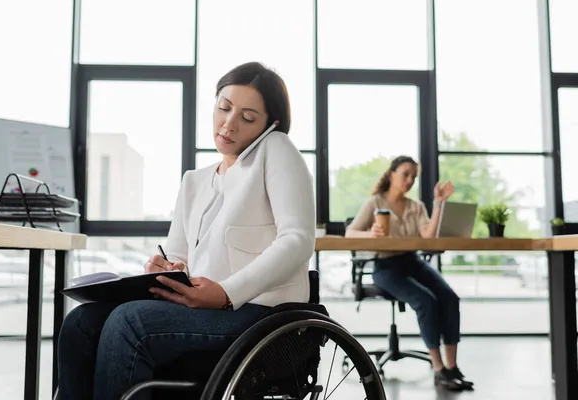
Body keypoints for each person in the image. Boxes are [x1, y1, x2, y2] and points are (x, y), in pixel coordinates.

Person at [56, 62, 316, 400]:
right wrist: (166, 270)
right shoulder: (194, 181)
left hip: (258, 312)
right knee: (81, 322)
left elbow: (297, 240)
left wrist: (225, 293)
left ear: (271, 125)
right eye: (224, 108)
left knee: (129, 322)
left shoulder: (276, 150)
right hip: (201, 307)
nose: (229, 123)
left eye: (247, 118)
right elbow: (177, 255)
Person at [345, 155, 474, 391]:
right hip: (385, 266)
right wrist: (370, 235)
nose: (410, 180)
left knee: (449, 298)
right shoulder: (375, 203)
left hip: (413, 261)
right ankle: (439, 369)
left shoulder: (416, 207)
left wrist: (438, 203)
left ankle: (452, 367)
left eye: (414, 176)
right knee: (426, 301)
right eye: (405, 174)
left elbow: (428, 236)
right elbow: (350, 233)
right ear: (392, 174)